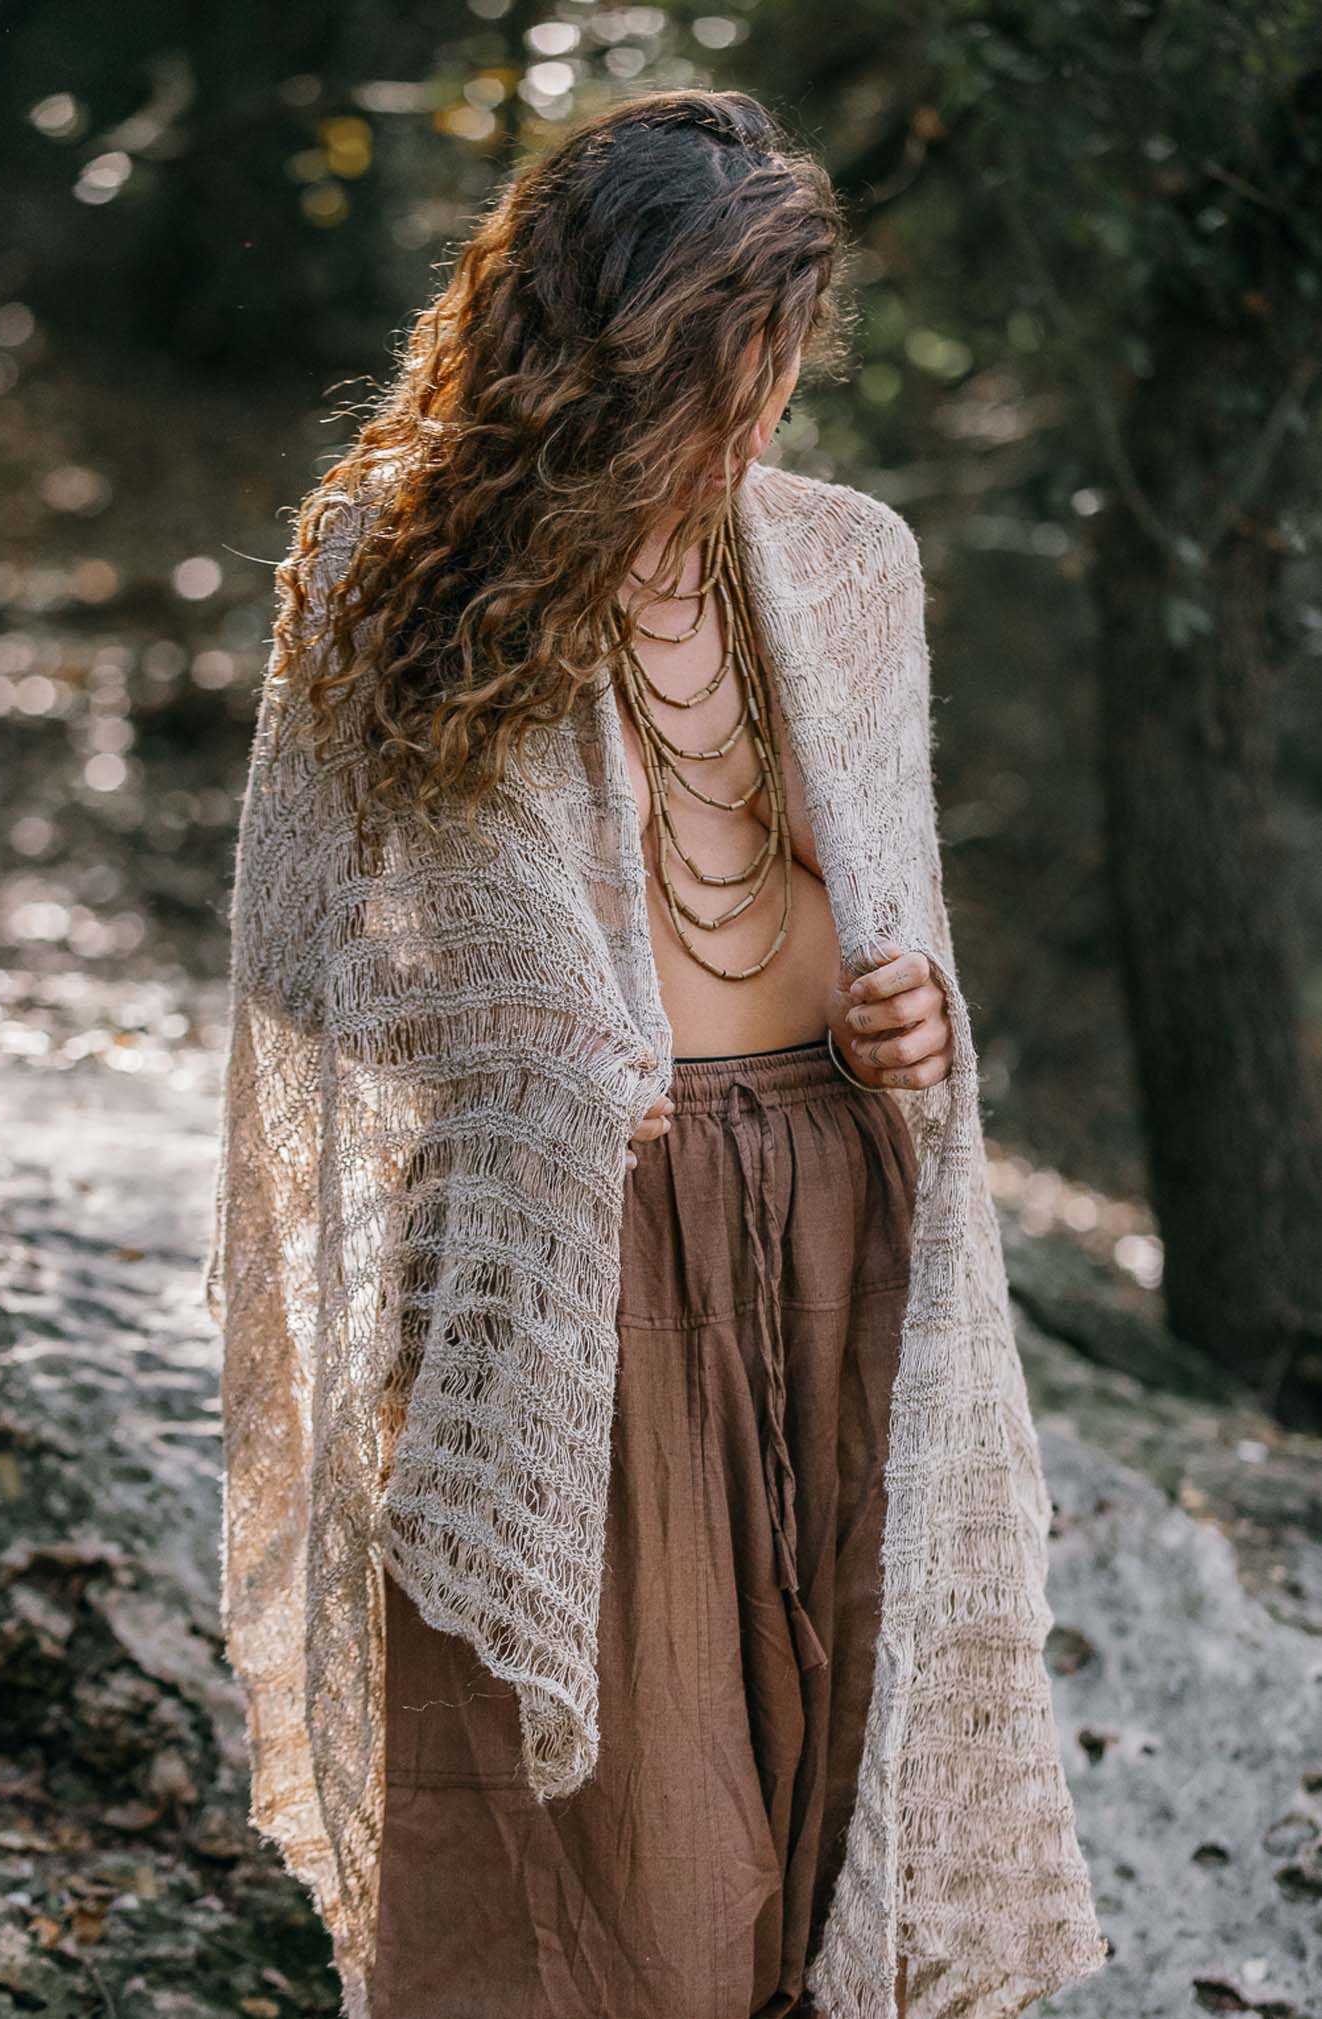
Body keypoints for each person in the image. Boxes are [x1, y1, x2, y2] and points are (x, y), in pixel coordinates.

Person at [208, 86, 1108, 2019]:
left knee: (842, 1803)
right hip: (570, 1253)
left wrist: (916, 1016)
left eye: (777, 367)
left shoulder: (852, 567)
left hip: (843, 1220)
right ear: (588, 352)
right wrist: (526, 1040)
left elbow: (897, 921)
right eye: (712, 372)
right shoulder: (393, 565)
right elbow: (297, 957)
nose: (752, 421)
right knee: (621, 1857)